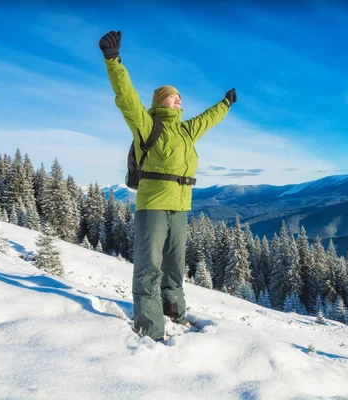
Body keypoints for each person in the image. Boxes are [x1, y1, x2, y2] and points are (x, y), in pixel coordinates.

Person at [99, 30, 237, 342]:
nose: (180, 98)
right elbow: (127, 98)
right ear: (161, 100)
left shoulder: (187, 131)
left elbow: (208, 118)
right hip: (153, 205)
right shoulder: (148, 125)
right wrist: (113, 61)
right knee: (149, 269)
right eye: (173, 95)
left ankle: (175, 314)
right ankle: (150, 329)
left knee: (174, 269)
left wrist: (225, 103)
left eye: (180, 96)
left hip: (180, 207)